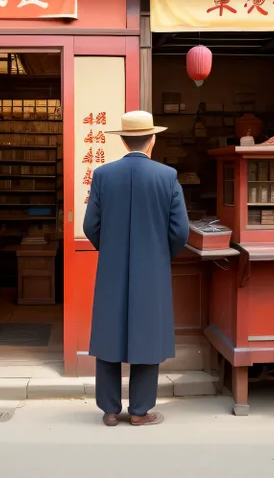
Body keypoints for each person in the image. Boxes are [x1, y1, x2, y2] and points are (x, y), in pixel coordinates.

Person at [83, 110, 190, 427]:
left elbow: (91, 226)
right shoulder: (167, 176)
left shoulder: (103, 175)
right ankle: (140, 411)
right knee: (147, 332)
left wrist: (111, 248)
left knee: (109, 331)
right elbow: (180, 231)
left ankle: (110, 410)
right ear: (152, 139)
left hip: (111, 267)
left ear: (124, 140)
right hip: (152, 269)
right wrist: (161, 254)